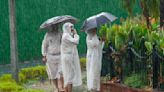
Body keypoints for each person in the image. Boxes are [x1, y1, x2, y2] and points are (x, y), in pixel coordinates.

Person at [41, 25, 64, 92]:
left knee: (60, 72)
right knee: (53, 74)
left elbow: (63, 42)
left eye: (56, 26)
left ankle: (60, 87)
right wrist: (44, 55)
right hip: (50, 56)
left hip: (60, 55)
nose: (55, 27)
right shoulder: (47, 35)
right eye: (53, 26)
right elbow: (44, 45)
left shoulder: (60, 33)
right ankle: (56, 87)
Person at [61, 22, 82, 92]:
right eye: (70, 27)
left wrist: (73, 34)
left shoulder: (66, 35)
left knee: (69, 75)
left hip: (68, 57)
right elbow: (76, 42)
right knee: (70, 76)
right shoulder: (66, 35)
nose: (72, 29)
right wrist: (76, 34)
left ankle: (68, 90)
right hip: (68, 57)